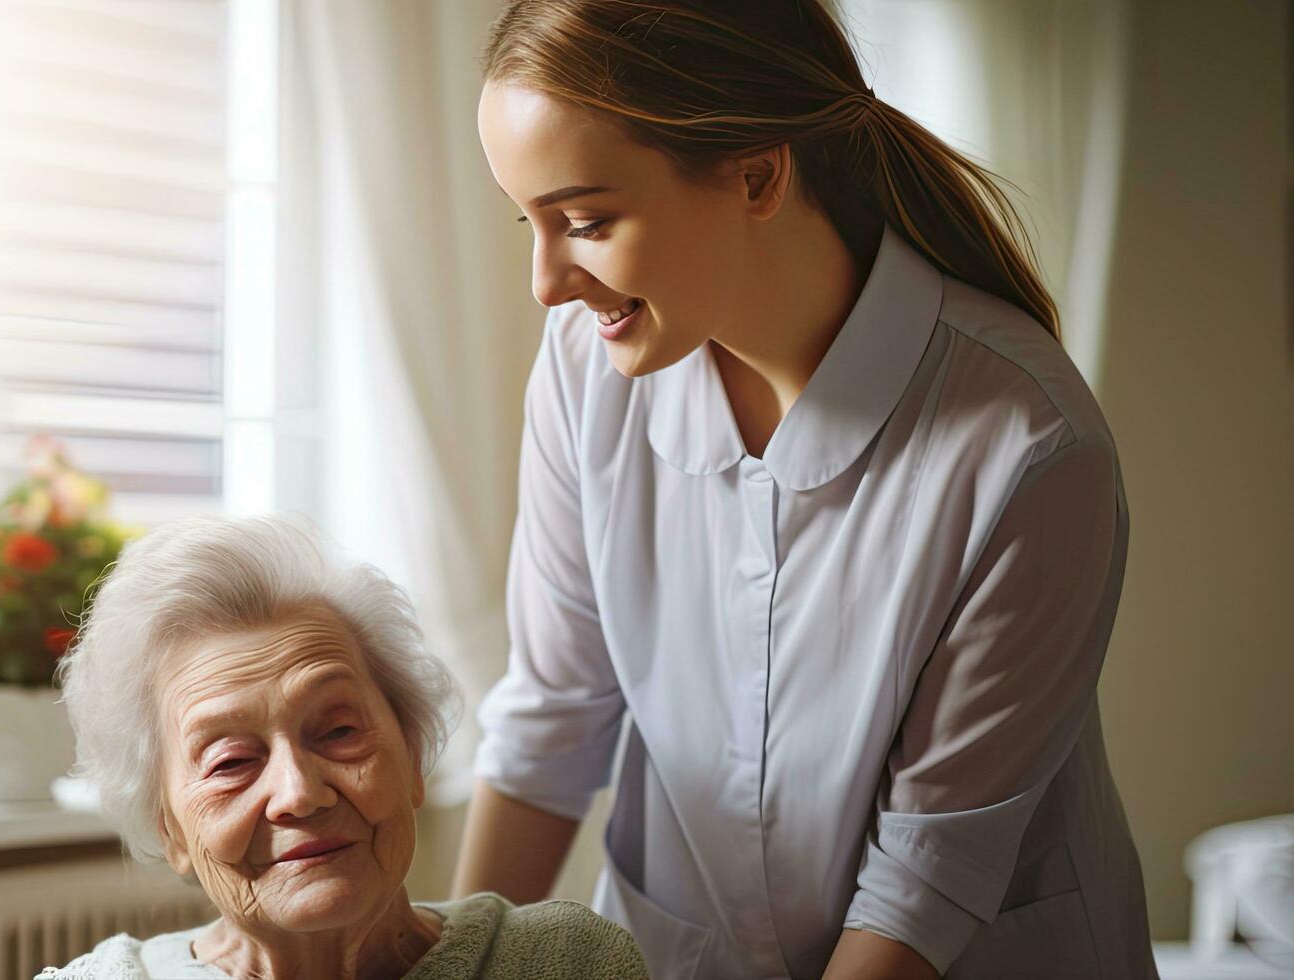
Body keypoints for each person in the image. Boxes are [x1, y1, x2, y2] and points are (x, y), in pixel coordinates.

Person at [452, 2, 1155, 978]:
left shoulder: (1024, 443)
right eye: (526, 220)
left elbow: (920, 883)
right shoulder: (584, 367)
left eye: (582, 221)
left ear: (754, 174)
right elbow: (550, 722)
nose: (544, 282)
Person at [43, 515, 649, 980]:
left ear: (412, 758)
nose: (299, 793)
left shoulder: (567, 962)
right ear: (169, 828)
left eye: (338, 732)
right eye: (231, 762)